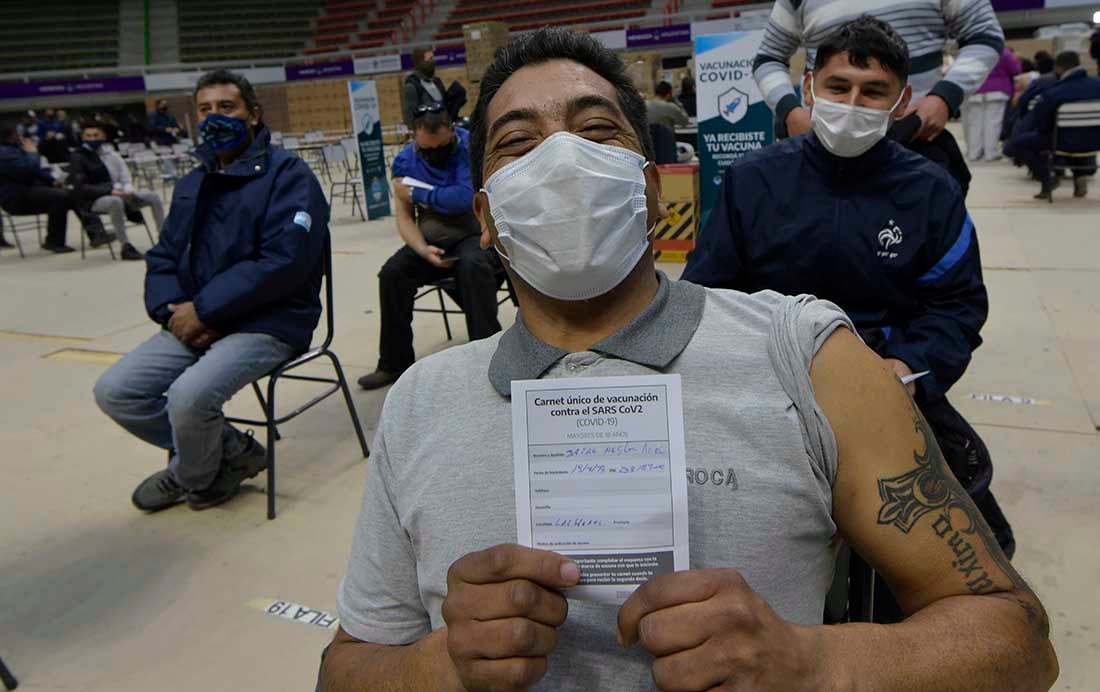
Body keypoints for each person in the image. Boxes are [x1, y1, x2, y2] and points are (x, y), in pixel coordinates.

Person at [322, 27, 1057, 692]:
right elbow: (345, 669)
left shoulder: (806, 358)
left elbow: (1017, 640)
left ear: (649, 189)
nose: (561, 158)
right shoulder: (422, 401)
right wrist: (439, 664)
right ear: (485, 215)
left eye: (596, 129)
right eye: (519, 144)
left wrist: (816, 662)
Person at [683, 15, 1015, 587]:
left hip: (889, 385)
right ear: (809, 87)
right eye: (839, 88)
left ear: (903, 99)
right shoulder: (751, 181)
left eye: (873, 92)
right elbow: (707, 295)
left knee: (982, 552)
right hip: (766, 386)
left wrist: (907, 369)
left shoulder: (931, 193)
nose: (853, 103)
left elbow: (955, 306)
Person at [93, 69, 330, 512]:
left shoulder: (289, 176)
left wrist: (205, 311)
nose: (215, 117)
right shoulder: (193, 183)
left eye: (227, 107)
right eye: (205, 109)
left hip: (270, 322)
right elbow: (163, 256)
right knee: (116, 391)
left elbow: (283, 263)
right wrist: (171, 312)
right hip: (199, 318)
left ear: (254, 115)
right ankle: (230, 450)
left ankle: (194, 476)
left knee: (188, 398)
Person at [357, 102, 502, 390]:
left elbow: (462, 197)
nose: (436, 154)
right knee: (392, 274)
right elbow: (404, 216)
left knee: (473, 267)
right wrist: (422, 249)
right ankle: (393, 363)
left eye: (441, 147)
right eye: (429, 150)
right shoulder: (405, 161)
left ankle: (488, 357)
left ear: (452, 131)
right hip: (430, 241)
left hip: (473, 234)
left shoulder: (468, 150)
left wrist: (417, 190)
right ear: (414, 137)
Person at [0, 124, 113, 253]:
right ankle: (54, 242)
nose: (21, 137)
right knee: (61, 197)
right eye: (18, 134)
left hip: (32, 192)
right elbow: (25, 170)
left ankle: (96, 234)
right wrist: (33, 153)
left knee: (74, 194)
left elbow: (38, 171)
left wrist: (53, 181)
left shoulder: (16, 150)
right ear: (10, 136)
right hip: (16, 197)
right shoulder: (4, 153)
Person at [1009, 51, 1100, 200]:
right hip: (1096, 141)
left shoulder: (1054, 93)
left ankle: (1047, 180)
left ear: (1058, 68)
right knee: (1079, 134)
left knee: (1020, 142)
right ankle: (1079, 175)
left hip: (1062, 142)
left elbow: (1041, 124)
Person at [68, 121, 165, 261]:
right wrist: (110, 190)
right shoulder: (78, 157)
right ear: (83, 138)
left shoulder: (111, 153)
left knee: (153, 196)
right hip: (94, 199)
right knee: (116, 202)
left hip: (120, 192)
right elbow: (81, 187)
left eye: (96, 135)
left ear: (103, 136)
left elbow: (124, 173)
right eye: (89, 136)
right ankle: (126, 246)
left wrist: (127, 188)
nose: (93, 138)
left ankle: (164, 237)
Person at [963, 46, 1021, 162]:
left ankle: (974, 153)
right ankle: (991, 153)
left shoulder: (972, 51)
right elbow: (1016, 69)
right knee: (993, 123)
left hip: (975, 90)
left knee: (974, 124)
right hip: (997, 90)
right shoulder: (1003, 51)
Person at [403, 50, 448, 129]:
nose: (433, 61)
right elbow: (409, 117)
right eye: (430, 59)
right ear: (420, 62)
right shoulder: (412, 86)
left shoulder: (437, 82)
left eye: (433, 58)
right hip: (426, 133)